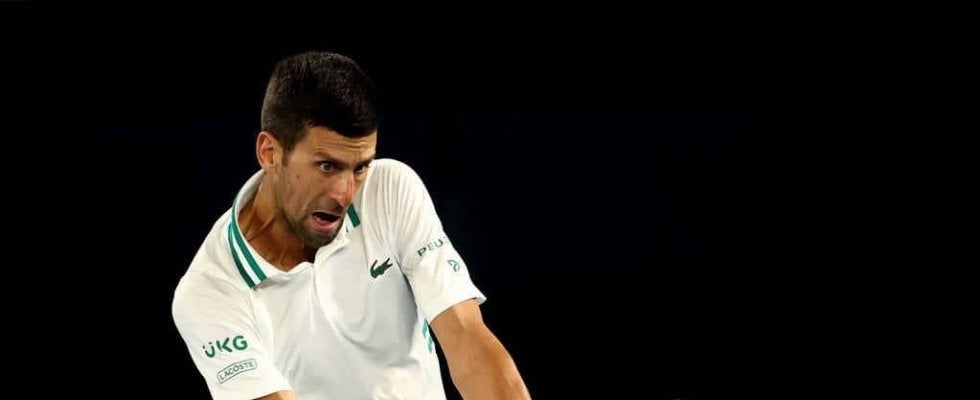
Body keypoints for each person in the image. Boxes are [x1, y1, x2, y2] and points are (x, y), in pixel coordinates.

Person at [171, 51, 531, 400]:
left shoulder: (389, 190)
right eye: (326, 166)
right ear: (270, 153)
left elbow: (467, 338)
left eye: (360, 167)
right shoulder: (209, 292)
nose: (344, 194)